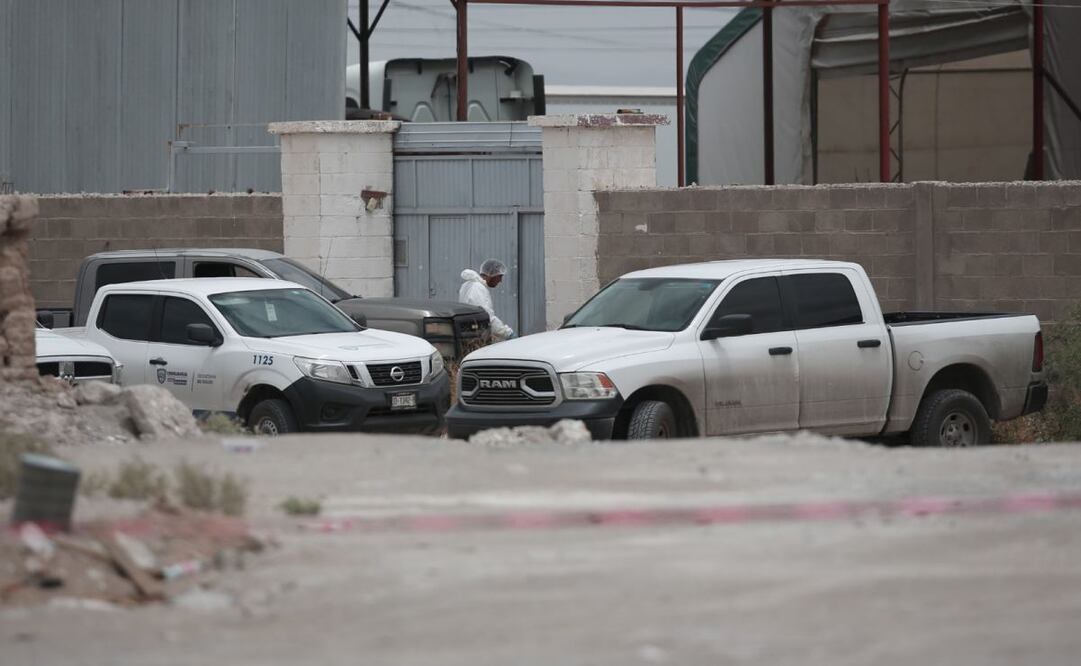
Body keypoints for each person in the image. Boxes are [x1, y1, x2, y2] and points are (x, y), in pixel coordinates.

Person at [459, 259, 515, 340]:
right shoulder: (478, 288)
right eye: (499, 276)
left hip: (469, 334)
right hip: (475, 337)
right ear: (492, 274)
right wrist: (507, 333)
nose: (500, 281)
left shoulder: (468, 285)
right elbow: (487, 317)